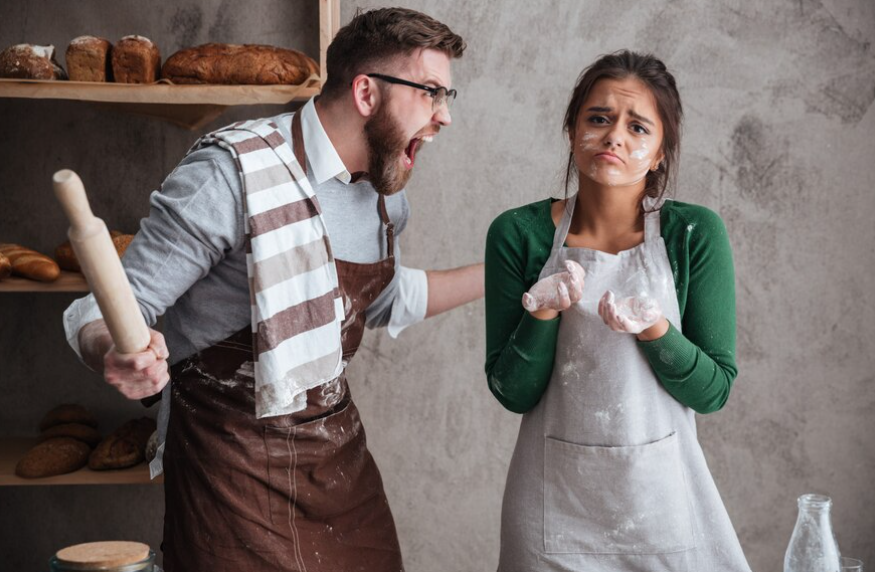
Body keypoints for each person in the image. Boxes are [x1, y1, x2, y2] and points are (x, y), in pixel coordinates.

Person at [63, 8, 482, 572]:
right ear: (365, 93)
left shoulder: (385, 194)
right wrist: (110, 348)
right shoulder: (232, 174)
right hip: (229, 475)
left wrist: (506, 275)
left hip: (339, 466)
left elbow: (378, 301)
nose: (444, 116)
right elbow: (97, 310)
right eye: (432, 92)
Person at [484, 50, 751, 571]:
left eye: (637, 127)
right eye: (599, 119)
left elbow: (714, 390)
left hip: (660, 504)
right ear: (572, 129)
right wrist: (542, 312)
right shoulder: (518, 234)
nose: (614, 137)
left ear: (659, 155)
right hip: (551, 511)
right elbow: (510, 392)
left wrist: (655, 329)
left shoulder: (693, 234)